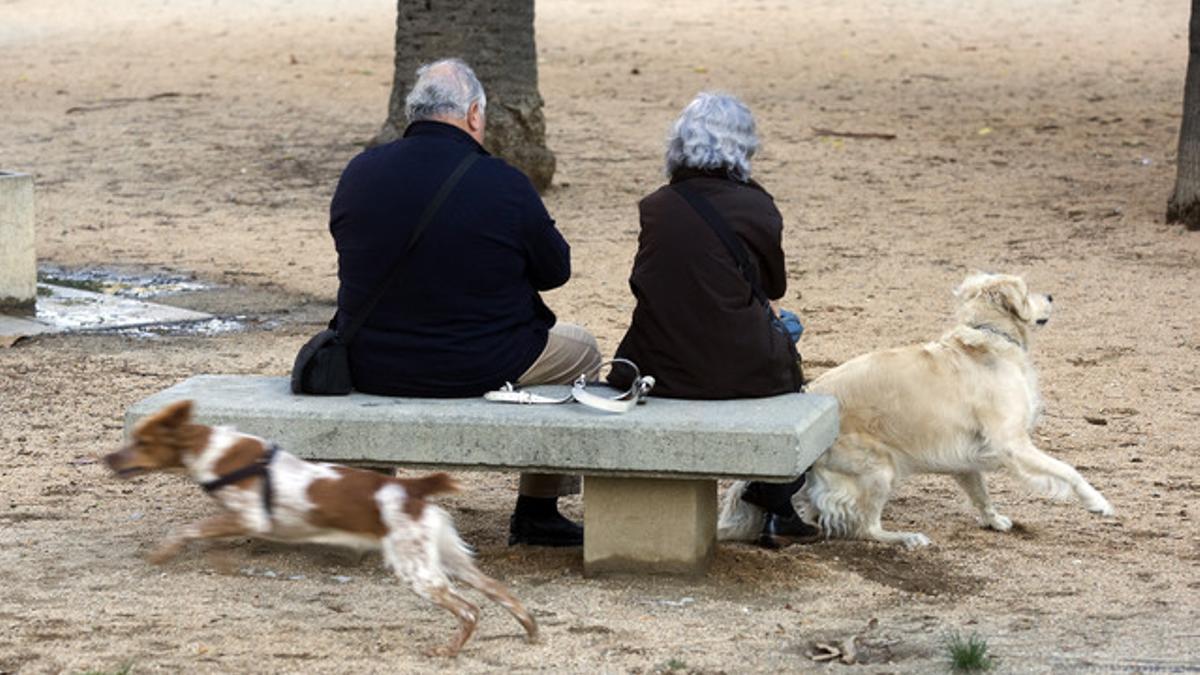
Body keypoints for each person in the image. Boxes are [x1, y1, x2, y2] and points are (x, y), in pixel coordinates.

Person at [329, 58, 601, 547]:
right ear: (475, 114)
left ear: (414, 114)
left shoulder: (360, 172)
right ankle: (538, 508)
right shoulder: (503, 182)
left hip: (371, 360)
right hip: (481, 360)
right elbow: (555, 271)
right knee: (581, 350)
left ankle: (369, 502)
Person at [608, 92, 815, 547]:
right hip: (743, 369)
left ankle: (776, 498)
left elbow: (646, 282)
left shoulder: (655, 206)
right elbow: (772, 288)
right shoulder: (759, 208)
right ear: (744, 148)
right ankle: (777, 495)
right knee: (789, 324)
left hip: (662, 368)